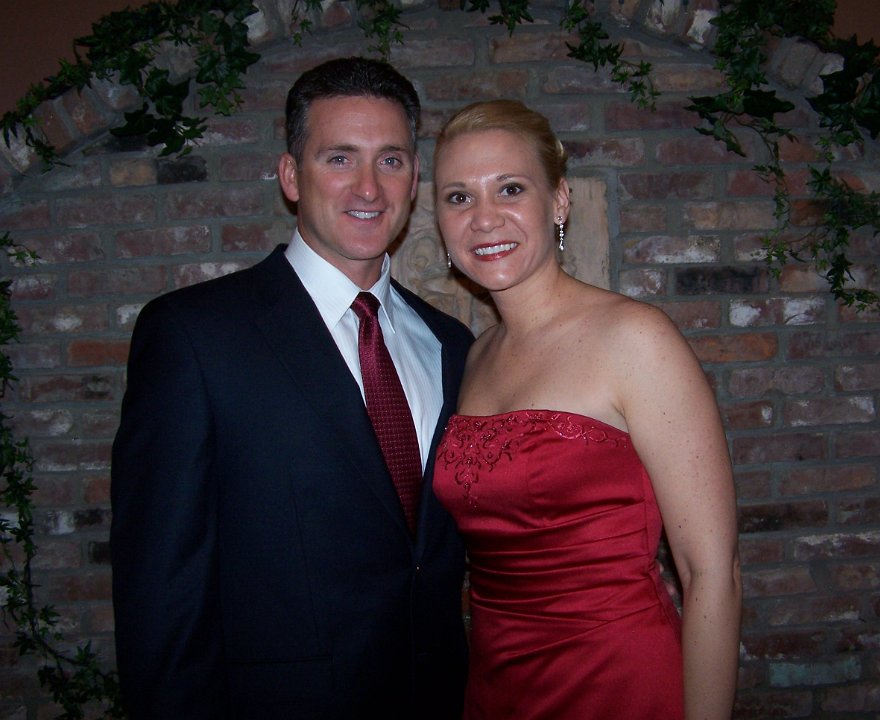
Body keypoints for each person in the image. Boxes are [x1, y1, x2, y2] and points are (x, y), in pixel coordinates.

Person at [110, 57, 473, 719]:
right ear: (290, 175)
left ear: (415, 178)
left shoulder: (451, 344)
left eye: (391, 160)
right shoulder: (195, 337)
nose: (369, 187)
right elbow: (161, 591)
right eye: (340, 158)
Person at [431, 99, 742, 719]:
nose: (484, 218)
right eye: (459, 197)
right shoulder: (473, 356)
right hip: (496, 684)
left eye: (510, 189)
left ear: (559, 201)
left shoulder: (635, 339)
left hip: (616, 681)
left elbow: (712, 572)